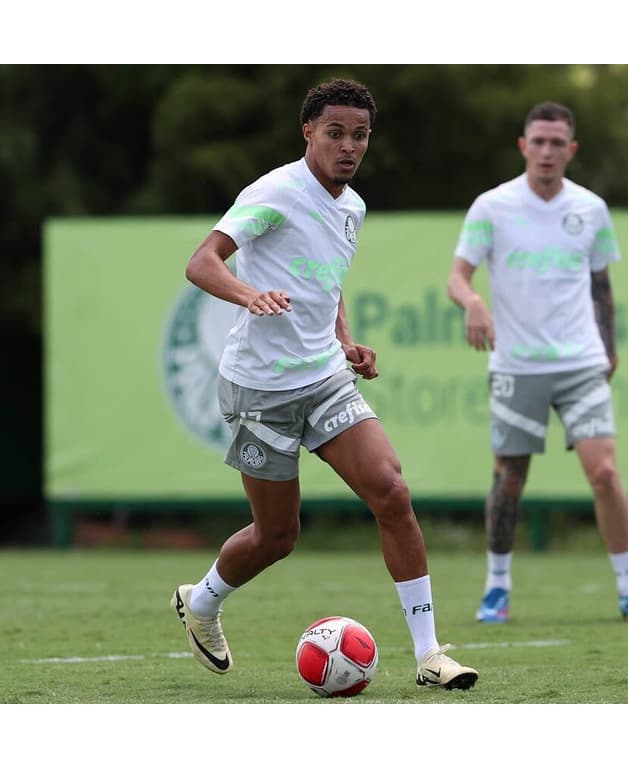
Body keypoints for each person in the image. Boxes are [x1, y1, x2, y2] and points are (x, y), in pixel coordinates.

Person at [171, 77, 478, 691]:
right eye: (335, 132)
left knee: (391, 492)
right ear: (307, 132)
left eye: (359, 135)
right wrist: (248, 292)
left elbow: (326, 283)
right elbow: (202, 261)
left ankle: (429, 654)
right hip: (258, 392)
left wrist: (342, 338)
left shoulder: (352, 208)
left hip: (324, 381)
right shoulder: (275, 192)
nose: (348, 146)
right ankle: (201, 601)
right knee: (277, 537)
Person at [446, 101, 628, 624]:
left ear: (571, 150)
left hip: (580, 362)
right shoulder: (492, 207)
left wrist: (609, 347)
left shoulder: (591, 209)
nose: (547, 151)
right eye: (539, 141)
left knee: (604, 472)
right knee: (509, 479)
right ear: (523, 146)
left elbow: (601, 284)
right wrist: (475, 303)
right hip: (515, 365)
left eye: (558, 143)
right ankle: (496, 589)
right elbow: (457, 277)